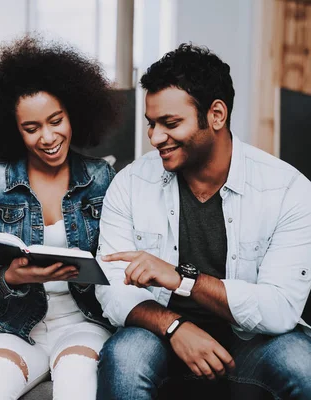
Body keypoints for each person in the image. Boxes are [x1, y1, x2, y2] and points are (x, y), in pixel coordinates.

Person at [95, 44, 311, 399]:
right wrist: (175, 326)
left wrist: (183, 280)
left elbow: (280, 309)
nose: (155, 138)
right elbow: (111, 287)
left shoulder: (287, 189)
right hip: (160, 334)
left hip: (252, 342)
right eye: (152, 124)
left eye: (171, 123)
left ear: (216, 115)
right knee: (125, 355)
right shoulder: (131, 183)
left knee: (302, 363)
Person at [0, 37, 119, 400]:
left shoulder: (102, 178)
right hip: (14, 326)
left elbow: (117, 267)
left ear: (73, 114)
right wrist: (14, 276)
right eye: (31, 128)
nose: (48, 138)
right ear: (13, 129)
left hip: (84, 323)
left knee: (77, 385)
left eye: (56, 121)